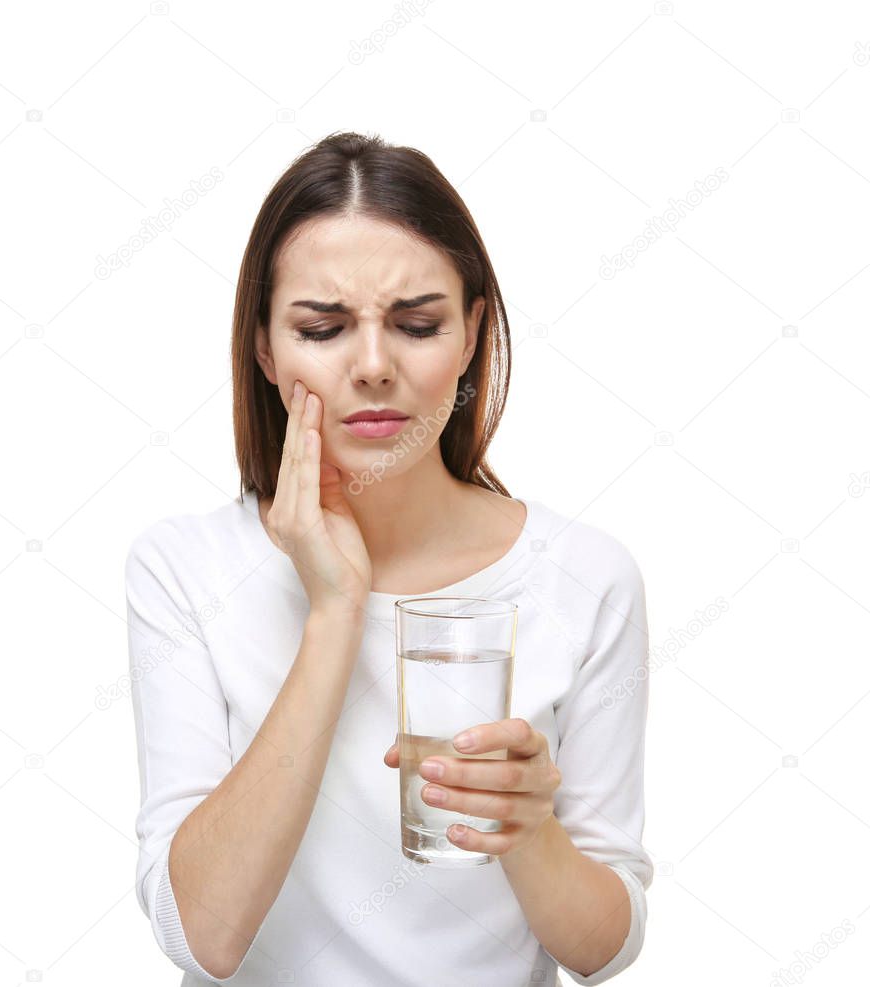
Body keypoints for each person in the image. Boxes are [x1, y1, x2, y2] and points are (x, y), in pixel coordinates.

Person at [125, 131, 653, 986]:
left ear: (474, 332)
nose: (374, 366)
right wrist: (335, 611)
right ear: (265, 348)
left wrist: (530, 830)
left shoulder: (585, 576)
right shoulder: (184, 569)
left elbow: (602, 946)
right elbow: (201, 936)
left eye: (416, 324)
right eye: (323, 328)